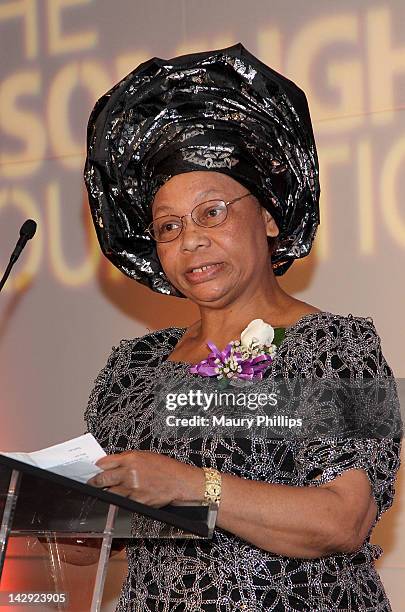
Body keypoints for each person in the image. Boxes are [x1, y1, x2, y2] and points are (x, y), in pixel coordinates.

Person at [83, 43, 402, 611]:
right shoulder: (132, 370)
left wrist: (189, 485)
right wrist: (58, 512)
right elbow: (97, 540)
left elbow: (344, 518)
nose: (192, 241)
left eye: (213, 212)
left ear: (270, 215)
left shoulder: (339, 347)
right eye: (168, 227)